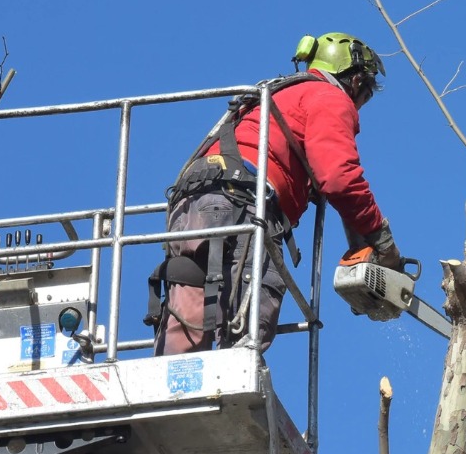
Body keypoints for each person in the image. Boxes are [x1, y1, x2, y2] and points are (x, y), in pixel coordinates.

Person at [148, 32, 401, 355]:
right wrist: (381, 239)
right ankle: (234, 382)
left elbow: (318, 177)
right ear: (353, 80)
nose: (360, 106)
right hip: (241, 203)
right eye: (364, 95)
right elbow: (339, 178)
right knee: (247, 329)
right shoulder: (329, 97)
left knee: (189, 307)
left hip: (192, 200)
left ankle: (177, 388)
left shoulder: (276, 95)